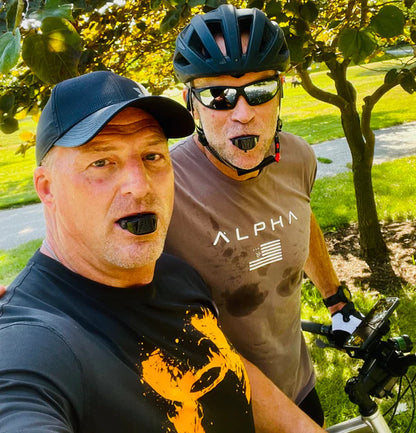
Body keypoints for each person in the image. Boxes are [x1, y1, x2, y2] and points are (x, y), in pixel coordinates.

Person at [0, 70, 326, 433]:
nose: (139, 186)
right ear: (47, 188)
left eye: (152, 155)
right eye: (101, 162)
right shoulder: (31, 340)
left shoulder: (176, 275)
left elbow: (225, 365)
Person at [165, 4, 363, 426]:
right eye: (218, 96)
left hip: (299, 386)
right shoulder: (164, 187)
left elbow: (301, 218)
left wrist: (336, 301)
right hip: (217, 413)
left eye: (259, 91)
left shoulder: (297, 157)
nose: (243, 113)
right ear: (191, 105)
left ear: (280, 91)